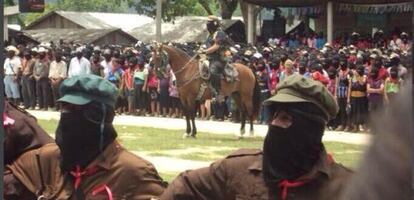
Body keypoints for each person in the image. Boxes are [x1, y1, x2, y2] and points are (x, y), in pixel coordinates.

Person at [161, 74, 352, 200]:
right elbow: (182, 187)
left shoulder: (349, 188)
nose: (275, 124)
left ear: (311, 128)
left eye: (286, 118)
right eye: (274, 116)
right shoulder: (238, 169)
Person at [4, 74, 166, 199]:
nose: (71, 117)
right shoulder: (46, 160)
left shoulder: (132, 172)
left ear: (105, 117)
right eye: (66, 109)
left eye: (82, 111)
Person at [199, 15, 230, 99]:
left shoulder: (220, 33)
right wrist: (201, 49)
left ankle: (217, 92)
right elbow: (206, 45)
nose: (207, 24)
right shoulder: (209, 35)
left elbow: (217, 46)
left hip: (219, 59)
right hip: (209, 58)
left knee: (213, 70)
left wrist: (205, 51)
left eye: (209, 23)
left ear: (215, 23)